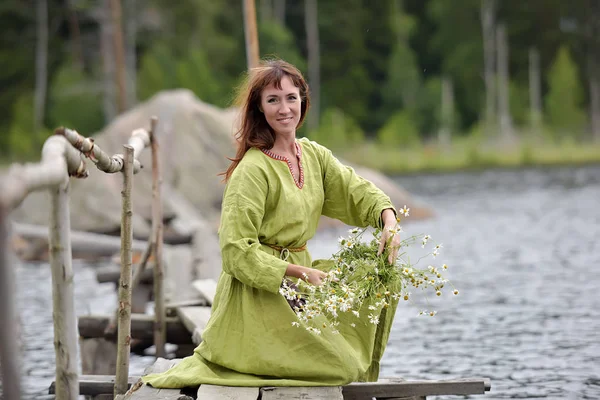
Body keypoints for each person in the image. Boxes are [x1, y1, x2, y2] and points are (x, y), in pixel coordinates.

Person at [143, 59, 400, 388]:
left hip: (303, 285)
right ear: (260, 109)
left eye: (291, 98)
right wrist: (296, 273)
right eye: (273, 100)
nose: (284, 108)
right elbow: (235, 252)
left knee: (376, 273)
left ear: (302, 102)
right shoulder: (252, 170)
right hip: (258, 297)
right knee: (342, 366)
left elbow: (355, 190)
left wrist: (388, 220)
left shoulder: (312, 155)